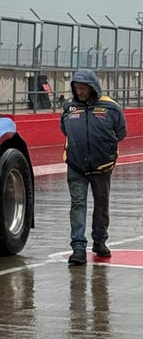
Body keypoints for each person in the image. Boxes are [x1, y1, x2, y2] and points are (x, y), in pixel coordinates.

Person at [60, 68, 127, 266]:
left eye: (83, 88)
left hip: (102, 166)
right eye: (76, 88)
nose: (79, 92)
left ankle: (100, 241)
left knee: (101, 206)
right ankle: (78, 248)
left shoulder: (111, 107)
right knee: (77, 204)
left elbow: (121, 132)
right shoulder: (69, 107)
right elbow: (64, 129)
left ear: (92, 87)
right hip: (76, 165)